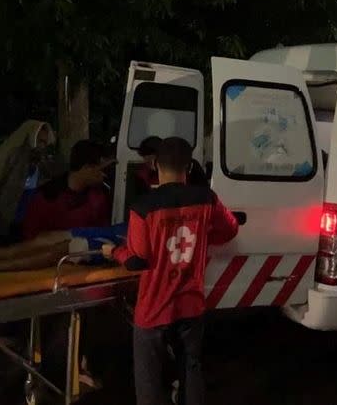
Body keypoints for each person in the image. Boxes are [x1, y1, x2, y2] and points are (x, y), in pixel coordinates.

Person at [102, 137, 238, 405]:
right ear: (188, 167)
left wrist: (113, 252)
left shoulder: (143, 207)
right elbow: (230, 229)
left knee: (149, 378)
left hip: (154, 308)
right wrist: (203, 237)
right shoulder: (206, 199)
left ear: (155, 165)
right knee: (191, 368)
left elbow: (137, 261)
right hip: (191, 304)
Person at [0, 120, 55, 249]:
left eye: (44, 142)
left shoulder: (38, 161)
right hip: (1, 222)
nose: (41, 146)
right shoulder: (11, 155)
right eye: (39, 141)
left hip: (23, 222)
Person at [22, 139, 111, 240]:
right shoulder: (48, 197)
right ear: (87, 168)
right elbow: (31, 238)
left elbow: (103, 233)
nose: (105, 175)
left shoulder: (98, 196)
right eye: (103, 170)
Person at [135, 135, 209, 195]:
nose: (151, 165)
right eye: (147, 162)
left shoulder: (189, 166)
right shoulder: (143, 174)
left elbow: (203, 190)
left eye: (151, 161)